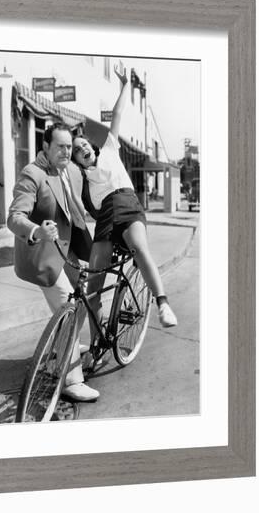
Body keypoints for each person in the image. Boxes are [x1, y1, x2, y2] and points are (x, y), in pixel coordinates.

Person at [71, 64, 178, 339]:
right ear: (74, 159)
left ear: (91, 146)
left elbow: (117, 113)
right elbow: (87, 211)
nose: (82, 149)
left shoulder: (109, 149)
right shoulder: (81, 180)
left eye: (83, 145)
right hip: (106, 221)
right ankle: (97, 341)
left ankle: (163, 303)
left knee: (140, 249)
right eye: (76, 151)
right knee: (93, 286)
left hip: (128, 207)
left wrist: (125, 86)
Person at [7, 122, 99, 402]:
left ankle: (59, 352)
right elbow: (14, 217)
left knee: (83, 297)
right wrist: (36, 231)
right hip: (44, 253)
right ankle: (71, 380)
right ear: (45, 146)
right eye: (60, 146)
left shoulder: (71, 169)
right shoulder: (32, 174)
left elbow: (82, 205)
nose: (66, 151)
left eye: (69, 146)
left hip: (69, 250)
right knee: (66, 305)